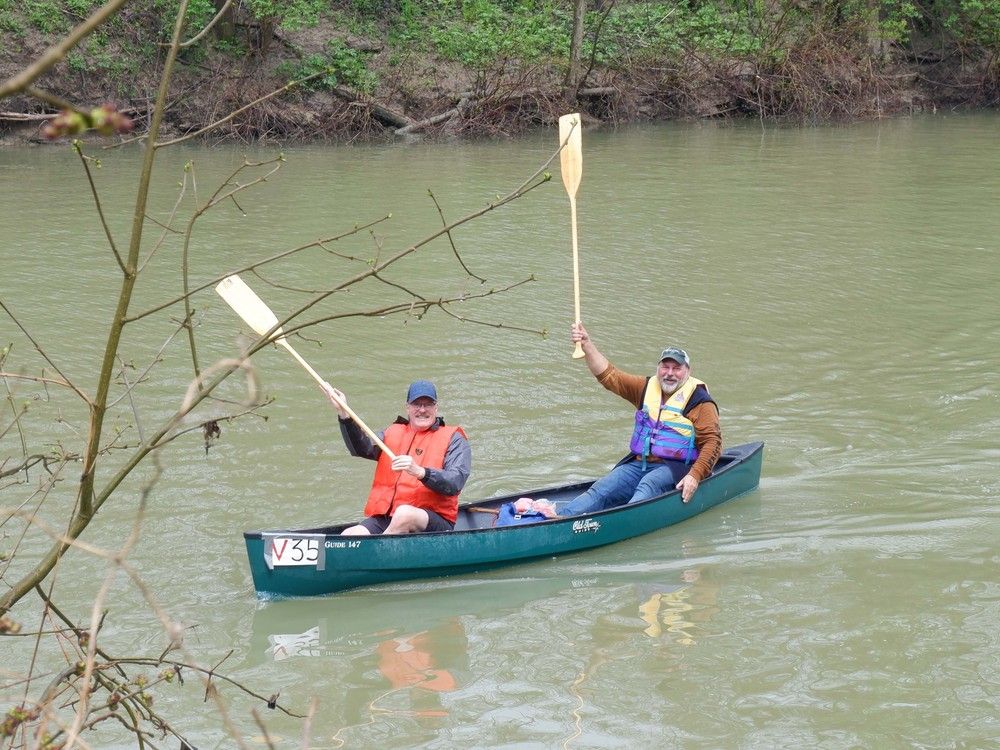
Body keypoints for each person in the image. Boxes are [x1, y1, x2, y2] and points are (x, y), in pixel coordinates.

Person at [557, 322, 721, 517]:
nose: (669, 373)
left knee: (648, 485)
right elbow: (610, 376)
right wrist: (587, 344)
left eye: (676, 368)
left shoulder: (699, 401)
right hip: (639, 462)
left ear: (688, 371)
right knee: (603, 487)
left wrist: (694, 476)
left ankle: (624, 522)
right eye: (665, 367)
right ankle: (561, 518)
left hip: (677, 467)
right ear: (658, 368)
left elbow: (713, 443)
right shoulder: (645, 387)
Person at [322, 380, 471, 535]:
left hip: (434, 520)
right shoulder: (393, 432)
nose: (422, 409)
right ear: (407, 407)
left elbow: (456, 481)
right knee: (350, 534)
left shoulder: (454, 439)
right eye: (416, 404)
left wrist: (421, 472)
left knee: (404, 514)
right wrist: (344, 415)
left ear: (436, 408)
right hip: (389, 515)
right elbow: (361, 448)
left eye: (428, 404)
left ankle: (378, 553)